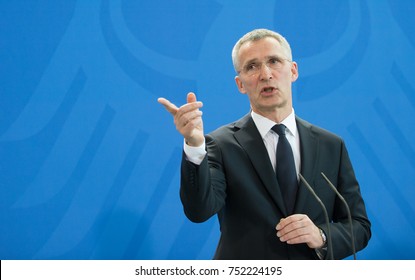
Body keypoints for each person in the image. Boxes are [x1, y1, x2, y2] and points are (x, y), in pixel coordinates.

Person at [158, 28, 371, 260]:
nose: (266, 74)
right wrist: (194, 144)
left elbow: (359, 226)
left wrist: (321, 235)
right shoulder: (221, 144)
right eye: (252, 66)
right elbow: (199, 211)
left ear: (293, 71)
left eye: (274, 61)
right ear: (240, 84)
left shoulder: (331, 145)